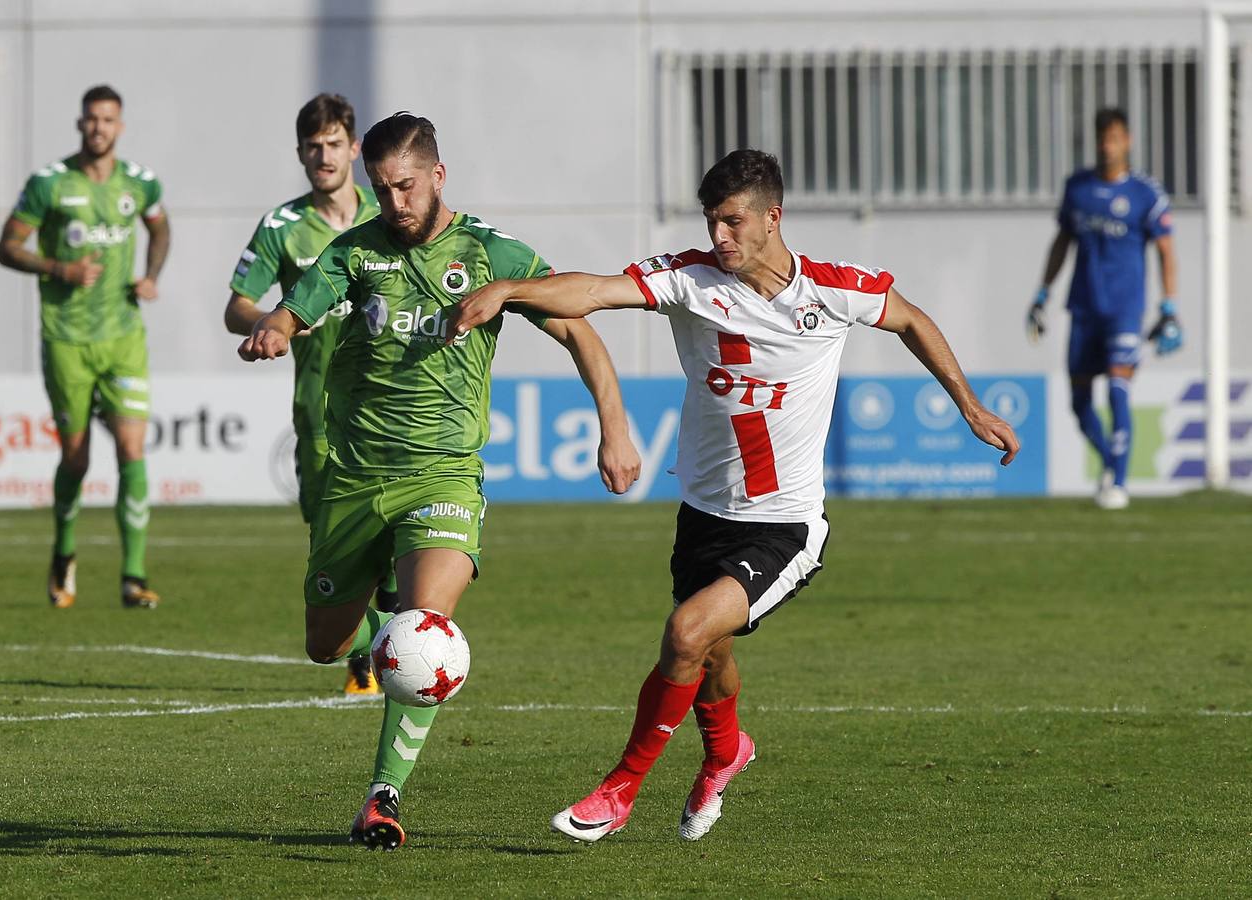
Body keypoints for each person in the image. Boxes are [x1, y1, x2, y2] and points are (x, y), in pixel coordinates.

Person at [450, 149, 1020, 843]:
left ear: (772, 217)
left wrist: (968, 406)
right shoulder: (691, 280)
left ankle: (619, 790)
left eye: (732, 222)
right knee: (710, 657)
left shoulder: (835, 289)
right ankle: (727, 753)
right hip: (703, 517)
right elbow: (595, 291)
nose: (720, 237)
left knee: (686, 633)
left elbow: (911, 319)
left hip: (784, 528)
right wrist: (511, 290)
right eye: (712, 222)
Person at [238, 112, 643, 850]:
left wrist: (615, 428)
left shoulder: (490, 252)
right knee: (324, 646)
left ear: (437, 176)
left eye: (405, 187)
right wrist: (276, 328)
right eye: (382, 189)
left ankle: (382, 796)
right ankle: (374, 617)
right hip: (357, 477)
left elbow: (580, 325)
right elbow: (297, 307)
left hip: (444, 475)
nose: (393, 203)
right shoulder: (355, 251)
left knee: (428, 628)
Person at [224, 93, 395, 696]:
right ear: (300, 153)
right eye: (312, 146)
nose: (323, 155)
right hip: (319, 413)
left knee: (398, 545)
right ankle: (366, 655)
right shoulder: (282, 226)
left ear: (354, 148)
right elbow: (236, 306)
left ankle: (392, 653)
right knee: (334, 544)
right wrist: (277, 319)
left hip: (389, 409)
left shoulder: (388, 210)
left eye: (333, 143)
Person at [0, 84, 171, 610]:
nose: (99, 127)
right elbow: (7, 246)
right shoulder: (50, 184)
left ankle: (133, 576)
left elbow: (161, 231)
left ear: (120, 126)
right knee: (75, 457)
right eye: (91, 119)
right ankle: (64, 554)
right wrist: (58, 268)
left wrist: (150, 275)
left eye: (108, 119)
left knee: (131, 449)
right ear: (80, 125)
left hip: (123, 338)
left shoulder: (139, 183)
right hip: (66, 338)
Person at [1028, 107, 1180, 510]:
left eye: (1113, 137)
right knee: (1079, 403)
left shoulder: (1145, 194)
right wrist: (1042, 293)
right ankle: (1113, 463)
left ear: (1127, 141)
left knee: (1117, 389)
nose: (1106, 144)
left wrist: (1169, 306)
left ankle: (1119, 483)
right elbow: (1062, 242)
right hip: (1083, 308)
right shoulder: (1077, 188)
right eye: (1101, 137)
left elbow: (1166, 250)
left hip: (1124, 310)